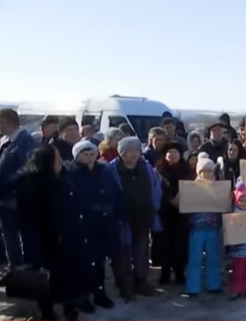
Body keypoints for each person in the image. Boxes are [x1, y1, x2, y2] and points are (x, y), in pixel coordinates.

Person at [13, 145, 92, 321]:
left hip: (69, 239)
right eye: (55, 159)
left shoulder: (64, 178)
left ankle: (70, 308)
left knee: (70, 277)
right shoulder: (30, 184)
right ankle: (47, 312)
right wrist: (33, 247)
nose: (59, 162)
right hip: (44, 241)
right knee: (46, 280)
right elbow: (28, 219)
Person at [66, 141, 124, 312]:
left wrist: (119, 215)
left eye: (92, 154)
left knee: (100, 262)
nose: (90, 158)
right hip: (83, 224)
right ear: (77, 156)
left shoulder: (104, 171)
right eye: (85, 154)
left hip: (105, 223)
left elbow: (117, 192)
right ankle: (83, 298)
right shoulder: (71, 173)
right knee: (83, 263)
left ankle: (100, 293)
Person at [108, 137, 163, 299]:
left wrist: (153, 206)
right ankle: (126, 285)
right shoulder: (111, 170)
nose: (134, 154)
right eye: (130, 150)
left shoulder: (146, 168)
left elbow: (156, 188)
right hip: (122, 218)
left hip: (143, 216)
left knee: (142, 251)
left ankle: (142, 282)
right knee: (123, 254)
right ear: (122, 152)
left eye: (136, 150)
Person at [0, 108, 37, 268]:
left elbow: (28, 167)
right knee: (8, 235)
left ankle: (27, 269)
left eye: (1, 122)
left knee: (23, 234)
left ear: (11, 122)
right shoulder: (6, 140)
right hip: (2, 195)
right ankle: (14, 266)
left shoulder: (25, 141)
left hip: (16, 196)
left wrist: (8, 182)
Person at [154, 142, 193, 285]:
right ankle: (165, 272)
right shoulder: (158, 170)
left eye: (175, 152)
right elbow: (156, 188)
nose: (172, 155)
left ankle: (179, 272)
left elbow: (191, 186)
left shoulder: (187, 169)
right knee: (164, 244)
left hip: (182, 212)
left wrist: (180, 197)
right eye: (169, 153)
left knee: (180, 243)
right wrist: (169, 199)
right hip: (164, 211)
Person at [184, 153, 223, 297]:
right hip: (196, 228)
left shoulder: (219, 187)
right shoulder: (191, 187)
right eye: (204, 171)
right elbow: (180, 204)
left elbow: (225, 205)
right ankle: (192, 288)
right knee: (194, 258)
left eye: (210, 171)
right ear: (199, 172)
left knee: (213, 257)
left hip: (213, 227)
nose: (207, 174)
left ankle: (214, 285)